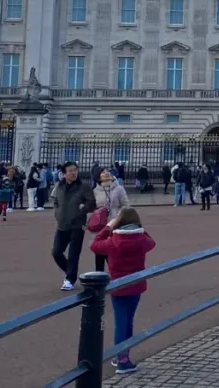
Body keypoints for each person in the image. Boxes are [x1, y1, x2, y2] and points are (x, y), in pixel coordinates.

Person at [89, 206, 156, 376]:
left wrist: (108, 227)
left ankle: (122, 358)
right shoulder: (142, 240)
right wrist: (140, 228)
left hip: (118, 285)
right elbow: (151, 242)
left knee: (121, 322)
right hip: (136, 285)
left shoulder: (113, 242)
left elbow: (95, 244)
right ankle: (123, 356)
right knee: (129, 321)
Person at [52, 161, 96, 291]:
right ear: (64, 174)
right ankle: (71, 272)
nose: (74, 173)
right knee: (56, 252)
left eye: (75, 170)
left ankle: (69, 279)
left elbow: (92, 203)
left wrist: (84, 208)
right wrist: (57, 212)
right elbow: (55, 201)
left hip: (77, 224)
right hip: (62, 224)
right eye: (70, 171)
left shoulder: (84, 187)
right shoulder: (59, 186)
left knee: (73, 254)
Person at [93, 169, 131, 271]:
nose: (106, 173)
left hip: (115, 224)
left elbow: (126, 206)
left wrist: (118, 218)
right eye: (103, 172)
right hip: (100, 225)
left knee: (114, 250)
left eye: (107, 171)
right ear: (99, 177)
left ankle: (116, 274)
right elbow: (92, 207)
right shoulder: (95, 191)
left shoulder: (119, 189)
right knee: (100, 251)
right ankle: (99, 275)